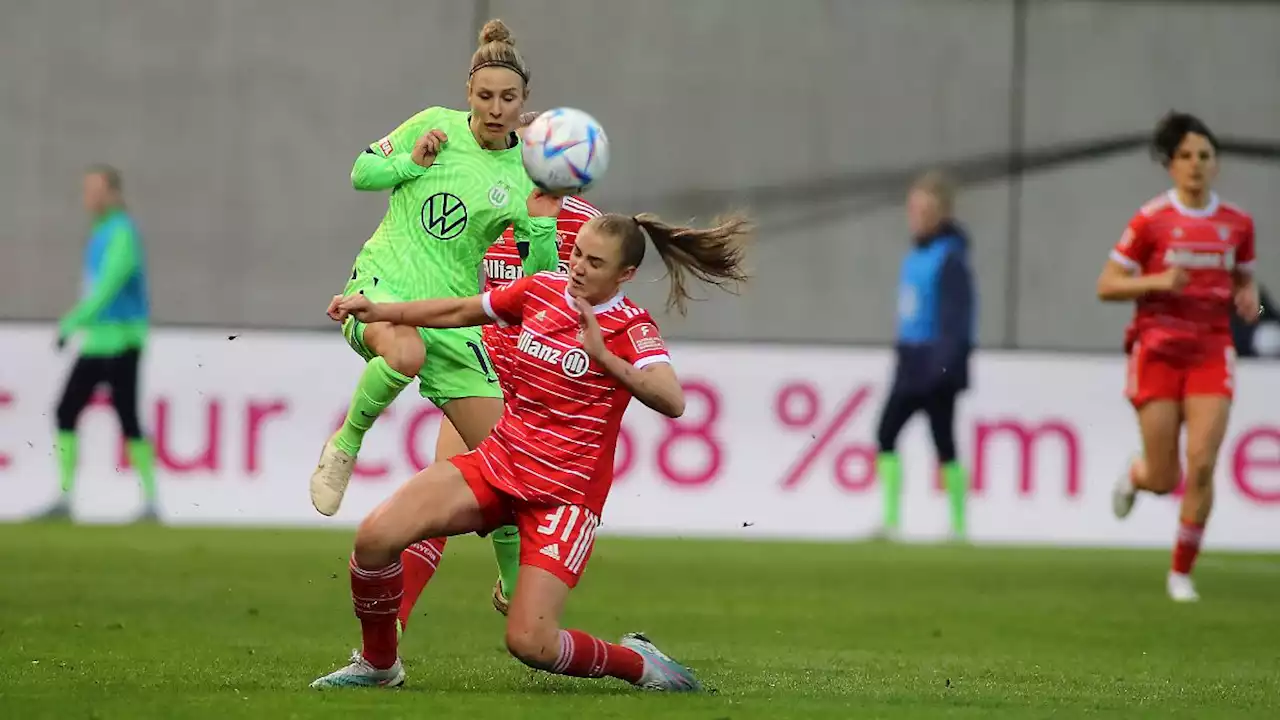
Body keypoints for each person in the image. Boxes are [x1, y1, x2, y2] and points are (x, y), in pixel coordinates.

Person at [309, 210, 750, 691]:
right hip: (499, 463)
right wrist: (383, 311)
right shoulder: (542, 289)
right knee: (375, 538)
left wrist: (603, 356)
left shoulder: (631, 327)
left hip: (562, 499)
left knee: (531, 644)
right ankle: (379, 666)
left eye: (594, 262)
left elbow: (673, 400)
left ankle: (641, 664)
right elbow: (460, 311)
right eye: (577, 253)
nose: (578, 266)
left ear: (625, 275)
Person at [310, 18, 562, 548]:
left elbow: (539, 279)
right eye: (486, 95)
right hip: (383, 286)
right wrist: (409, 161)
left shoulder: (527, 172)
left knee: (513, 476)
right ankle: (345, 444)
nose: (496, 108)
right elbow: (361, 172)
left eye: (508, 98)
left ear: (525, 100)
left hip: (450, 318)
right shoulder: (434, 127)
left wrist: (541, 220)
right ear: (468, 92)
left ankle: (520, 607)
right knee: (403, 355)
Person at [397, 194, 601, 630]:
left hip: (541, 383)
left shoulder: (584, 225)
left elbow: (600, 302)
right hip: (484, 372)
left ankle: (519, 585)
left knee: (505, 495)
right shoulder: (489, 205)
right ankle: (388, 637)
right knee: (431, 503)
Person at [1099, 111, 1260, 602]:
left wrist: (1247, 294)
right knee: (1165, 474)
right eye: (1185, 156)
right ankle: (1136, 474)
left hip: (1211, 348)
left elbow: (1244, 277)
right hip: (1158, 351)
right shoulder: (1151, 221)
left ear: (1216, 165)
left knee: (1204, 464)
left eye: (1204, 156)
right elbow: (1107, 284)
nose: (1195, 165)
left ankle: (1180, 572)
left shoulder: (1237, 224)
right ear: (1171, 165)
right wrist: (1156, 281)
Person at [42, 165, 158, 522]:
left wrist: (73, 321)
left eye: (95, 190)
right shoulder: (102, 232)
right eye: (86, 190)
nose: (88, 197)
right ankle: (64, 498)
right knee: (66, 411)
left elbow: (108, 285)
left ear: (112, 193)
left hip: (122, 338)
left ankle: (151, 501)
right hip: (98, 340)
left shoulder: (122, 232)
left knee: (127, 417)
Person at [873, 170, 976, 541]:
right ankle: (890, 521)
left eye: (923, 209)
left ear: (942, 213)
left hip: (935, 362)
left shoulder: (950, 258)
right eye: (912, 208)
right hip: (911, 359)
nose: (914, 215)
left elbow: (956, 318)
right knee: (886, 434)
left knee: (943, 441)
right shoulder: (918, 254)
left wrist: (946, 367)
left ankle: (959, 527)